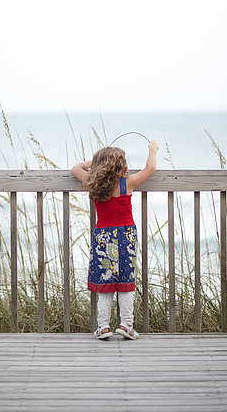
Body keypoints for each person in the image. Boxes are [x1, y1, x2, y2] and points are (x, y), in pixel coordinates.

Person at [72, 141, 159, 340]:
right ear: (121, 165)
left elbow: (76, 168)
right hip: (126, 237)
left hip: (104, 237)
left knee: (105, 283)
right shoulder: (126, 183)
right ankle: (126, 325)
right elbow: (150, 168)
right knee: (125, 282)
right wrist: (152, 148)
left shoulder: (92, 181)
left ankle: (103, 327)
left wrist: (94, 163)